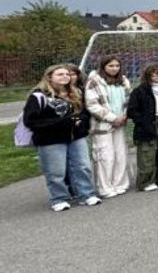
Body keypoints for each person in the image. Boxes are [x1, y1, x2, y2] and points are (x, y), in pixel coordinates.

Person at [24, 64, 101, 211]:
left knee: (83, 166)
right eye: (60, 74)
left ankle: (86, 194)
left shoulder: (76, 92)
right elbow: (31, 121)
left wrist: (81, 124)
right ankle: (59, 198)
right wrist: (63, 122)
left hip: (76, 137)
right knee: (56, 171)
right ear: (49, 77)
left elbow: (84, 113)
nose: (65, 76)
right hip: (50, 140)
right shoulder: (39, 96)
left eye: (67, 74)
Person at [84, 56, 132, 198]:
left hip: (121, 122)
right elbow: (92, 104)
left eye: (117, 65)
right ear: (104, 66)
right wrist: (112, 118)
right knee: (105, 157)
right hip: (103, 125)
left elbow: (129, 100)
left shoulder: (123, 81)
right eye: (111, 65)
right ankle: (105, 187)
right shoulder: (94, 82)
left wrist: (124, 115)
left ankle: (120, 184)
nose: (114, 68)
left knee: (120, 154)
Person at [127, 63, 158, 191]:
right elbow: (132, 111)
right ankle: (146, 181)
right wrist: (144, 121)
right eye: (155, 73)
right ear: (148, 74)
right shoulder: (140, 91)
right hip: (148, 124)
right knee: (148, 153)